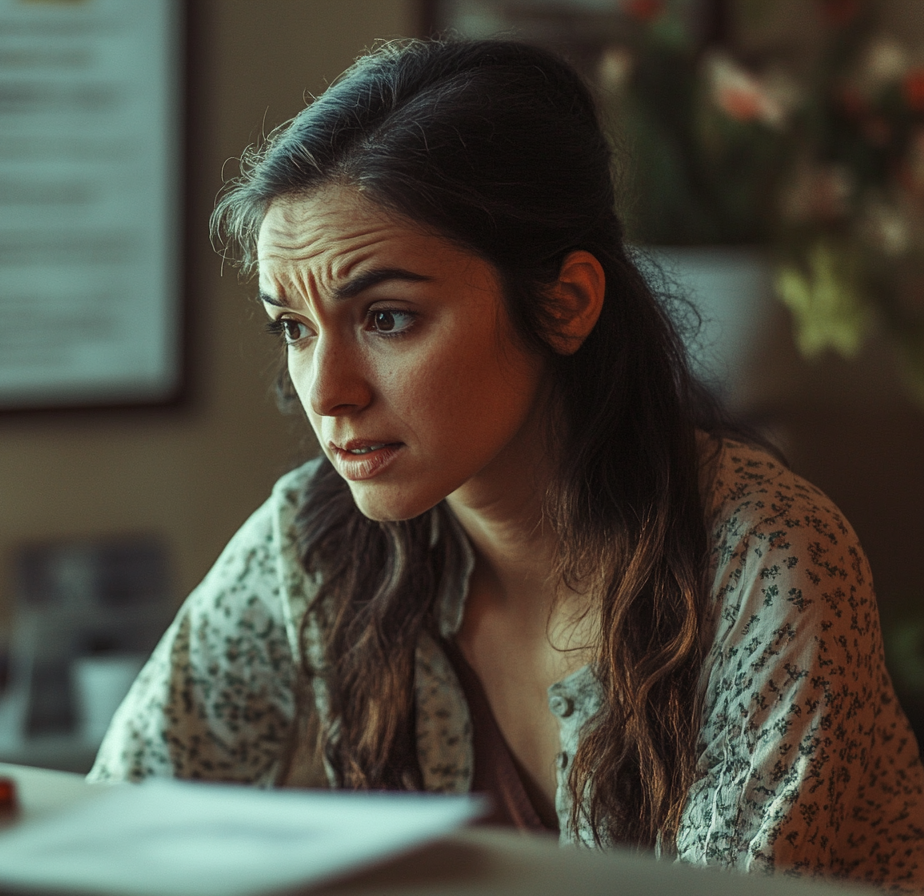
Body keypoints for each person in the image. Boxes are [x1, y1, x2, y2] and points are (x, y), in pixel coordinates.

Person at [88, 38, 924, 890]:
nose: (326, 392)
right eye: (293, 329)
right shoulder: (316, 544)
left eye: (386, 318)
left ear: (565, 305)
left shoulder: (761, 562)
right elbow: (111, 827)